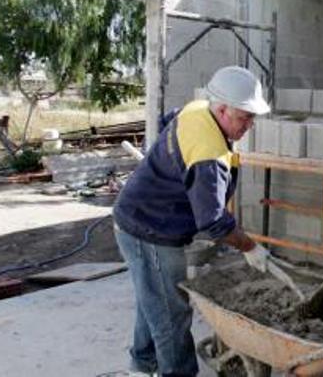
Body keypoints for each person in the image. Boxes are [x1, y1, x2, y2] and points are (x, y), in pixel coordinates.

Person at [112, 66, 279, 377]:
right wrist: (250, 247)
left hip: (138, 216)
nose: (250, 125)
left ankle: (142, 365)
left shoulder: (197, 110)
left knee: (153, 299)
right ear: (221, 109)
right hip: (150, 231)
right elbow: (213, 220)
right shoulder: (208, 153)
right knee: (171, 313)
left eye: (252, 117)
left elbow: (166, 121)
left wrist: (166, 165)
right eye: (244, 117)